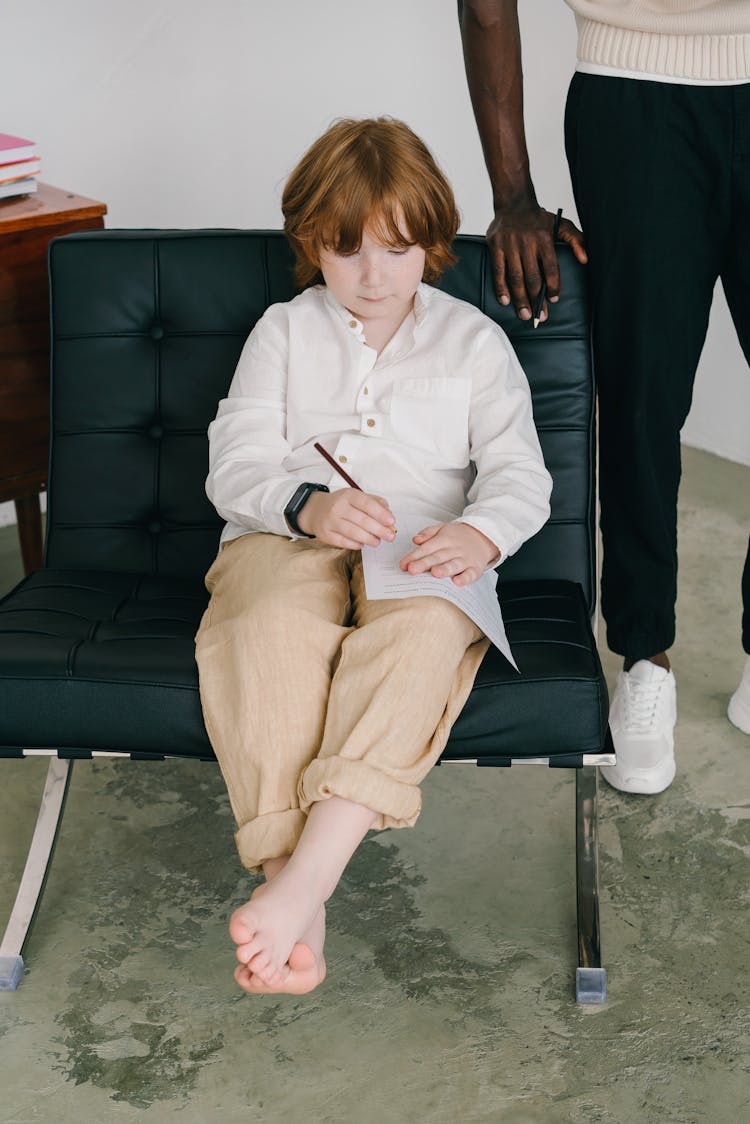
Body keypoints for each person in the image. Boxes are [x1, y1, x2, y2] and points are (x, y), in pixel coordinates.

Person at [195, 117, 552, 996]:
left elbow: (521, 475)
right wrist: (306, 506)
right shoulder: (282, 331)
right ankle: (294, 883)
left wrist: (481, 533)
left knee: (421, 641)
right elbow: (234, 461)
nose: (370, 275)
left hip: (425, 553)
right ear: (311, 242)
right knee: (264, 629)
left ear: (430, 243)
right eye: (345, 251)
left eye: (394, 251)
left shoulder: (474, 341)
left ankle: (299, 885)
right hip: (283, 538)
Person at [459, 0, 750, 795]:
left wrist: (517, 194)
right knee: (640, 398)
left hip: (632, 112)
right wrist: (511, 195)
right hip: (635, 89)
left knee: (639, 401)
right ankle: (644, 659)